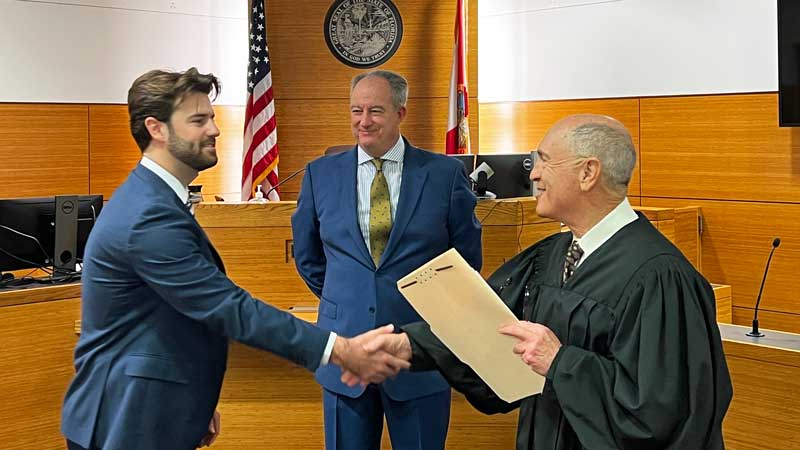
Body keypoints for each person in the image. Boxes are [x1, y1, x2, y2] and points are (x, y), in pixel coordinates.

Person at [60, 68, 409, 450]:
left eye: (211, 117)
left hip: (151, 408)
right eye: (198, 120)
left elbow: (170, 317)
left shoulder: (156, 199)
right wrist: (340, 350)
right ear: (156, 129)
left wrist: (194, 400)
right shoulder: (148, 215)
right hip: (124, 419)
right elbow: (227, 307)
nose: (215, 129)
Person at [348, 114, 734, 450]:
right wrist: (405, 345)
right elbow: (488, 323)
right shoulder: (552, 255)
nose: (532, 173)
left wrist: (561, 361)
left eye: (544, 161)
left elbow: (665, 411)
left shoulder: (660, 278)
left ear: (588, 173)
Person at [291, 70, 482, 450]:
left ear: (400, 112)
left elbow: (465, 260)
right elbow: (308, 256)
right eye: (356, 110)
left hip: (420, 352)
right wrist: (349, 296)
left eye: (375, 111)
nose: (364, 121)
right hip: (345, 349)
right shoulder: (319, 174)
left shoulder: (444, 174)